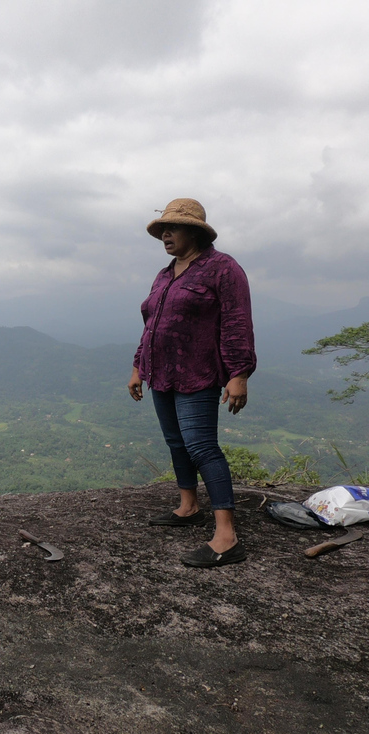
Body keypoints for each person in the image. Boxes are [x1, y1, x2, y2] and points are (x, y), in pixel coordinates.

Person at [128, 198, 256, 568]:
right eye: (162, 229)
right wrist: (138, 366)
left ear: (195, 231)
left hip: (198, 372)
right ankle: (188, 506)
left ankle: (227, 536)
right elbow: (151, 325)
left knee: (201, 445)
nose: (165, 234)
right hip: (160, 372)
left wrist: (239, 373)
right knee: (175, 441)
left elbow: (236, 321)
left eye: (174, 228)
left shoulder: (223, 269)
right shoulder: (165, 274)